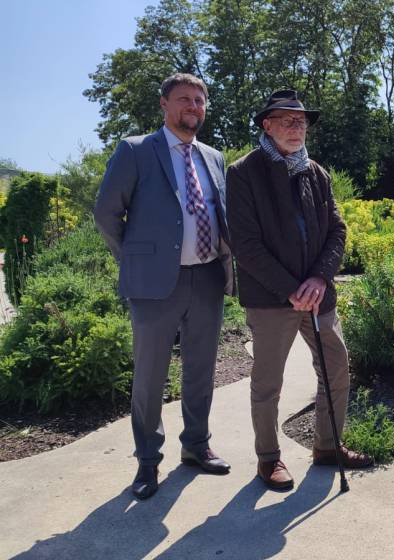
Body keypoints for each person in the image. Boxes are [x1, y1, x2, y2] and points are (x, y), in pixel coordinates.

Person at [94, 73, 234, 500]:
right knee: (150, 377)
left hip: (207, 277)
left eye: (200, 100)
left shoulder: (214, 157)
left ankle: (195, 446)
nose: (193, 106)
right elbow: (106, 214)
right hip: (155, 286)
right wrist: (137, 260)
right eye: (184, 99)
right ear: (164, 105)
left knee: (201, 371)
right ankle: (147, 462)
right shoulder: (136, 150)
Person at [226, 90, 372, 490]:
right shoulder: (243, 173)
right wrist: (292, 288)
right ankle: (268, 458)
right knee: (269, 382)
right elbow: (246, 244)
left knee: (336, 367)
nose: (296, 127)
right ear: (266, 125)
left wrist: (320, 278)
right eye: (286, 120)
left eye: (301, 121)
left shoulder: (316, 172)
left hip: (317, 294)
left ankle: (328, 446)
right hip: (272, 299)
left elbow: (337, 231)